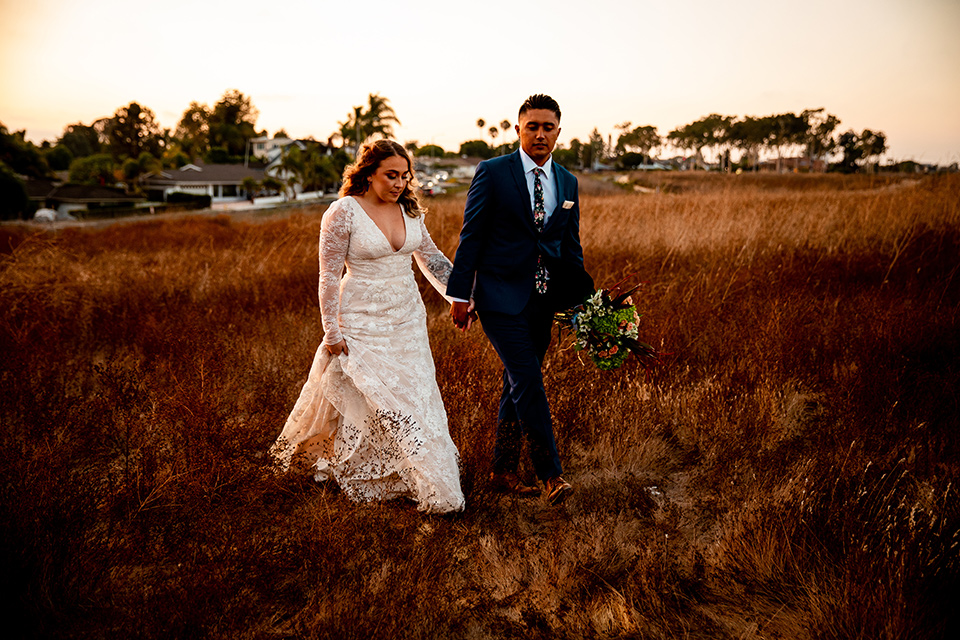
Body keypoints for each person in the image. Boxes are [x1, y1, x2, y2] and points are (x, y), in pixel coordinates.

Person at [270, 139, 464, 514]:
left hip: (407, 320)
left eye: (405, 176)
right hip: (359, 320)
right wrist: (331, 331)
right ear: (368, 173)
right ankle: (361, 469)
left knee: (415, 398)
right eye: (391, 175)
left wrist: (462, 296)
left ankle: (421, 477)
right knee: (371, 396)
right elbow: (328, 276)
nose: (399, 183)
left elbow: (433, 261)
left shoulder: (411, 211)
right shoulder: (343, 212)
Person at [447, 94, 594, 505]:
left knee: (518, 383)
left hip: (544, 300)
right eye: (533, 127)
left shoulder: (567, 182)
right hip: (498, 297)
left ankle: (502, 470)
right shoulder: (493, 172)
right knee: (529, 379)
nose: (541, 134)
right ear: (518, 130)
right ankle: (551, 474)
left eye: (548, 128)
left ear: (559, 132)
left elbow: (570, 245)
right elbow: (471, 235)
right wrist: (461, 295)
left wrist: (580, 299)